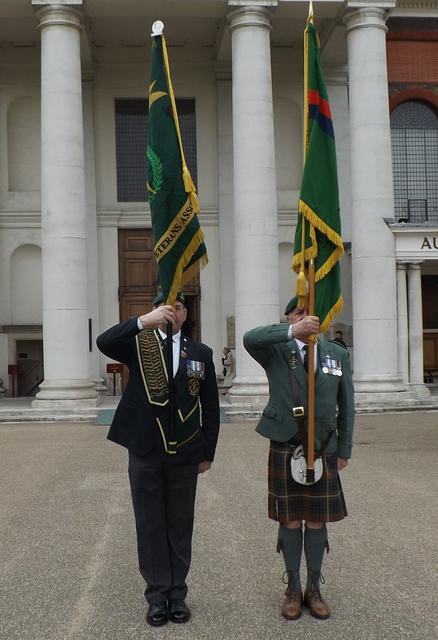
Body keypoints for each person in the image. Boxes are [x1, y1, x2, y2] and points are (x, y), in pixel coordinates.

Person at [97, 292, 220, 627]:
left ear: (185, 314)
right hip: (146, 449)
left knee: (180, 526)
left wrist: (207, 453)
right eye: (164, 306)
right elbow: (103, 341)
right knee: (150, 525)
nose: (172, 311)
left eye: (177, 307)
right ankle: (156, 596)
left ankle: (177, 594)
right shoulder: (140, 344)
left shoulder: (201, 353)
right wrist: (142, 323)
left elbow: (211, 408)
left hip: (186, 451)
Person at [243, 296, 354, 621]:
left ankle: (314, 588)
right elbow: (250, 338)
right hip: (286, 443)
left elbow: (347, 403)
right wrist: (291, 330)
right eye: (298, 313)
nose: (307, 318)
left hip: (324, 446)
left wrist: (344, 449)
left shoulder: (336, 353)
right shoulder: (277, 349)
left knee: (317, 519)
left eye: (310, 313)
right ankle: (292, 587)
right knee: (290, 519)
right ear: (289, 317)